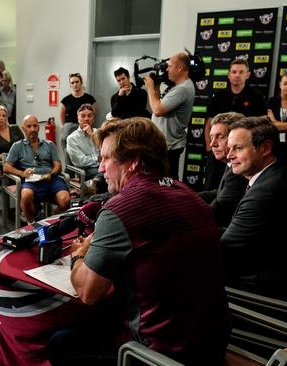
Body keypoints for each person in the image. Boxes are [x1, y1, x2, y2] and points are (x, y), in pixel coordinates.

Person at [50, 117, 229, 365]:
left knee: (60, 341)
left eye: (106, 159)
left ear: (133, 162)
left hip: (159, 355)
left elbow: (87, 292)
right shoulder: (191, 196)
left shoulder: (119, 209)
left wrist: (79, 255)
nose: (101, 168)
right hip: (213, 344)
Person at [222, 116, 287, 306]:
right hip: (274, 278)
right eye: (230, 147)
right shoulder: (271, 176)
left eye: (238, 148)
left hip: (270, 297)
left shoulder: (267, 191)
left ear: (266, 148)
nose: (229, 155)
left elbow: (225, 248)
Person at [204, 58, 267, 190]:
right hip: (218, 153)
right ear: (228, 75)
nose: (237, 75)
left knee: (236, 190)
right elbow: (209, 123)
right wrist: (210, 150)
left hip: (242, 154)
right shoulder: (220, 96)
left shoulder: (256, 96)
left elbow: (261, 125)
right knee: (211, 187)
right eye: (234, 72)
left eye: (241, 72)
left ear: (247, 75)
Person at [5, 115, 70, 224]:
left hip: (51, 179)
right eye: (29, 126)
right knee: (26, 195)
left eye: (35, 126)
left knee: (65, 200)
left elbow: (58, 165)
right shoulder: (17, 146)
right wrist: (22, 173)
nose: (33, 129)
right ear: (23, 128)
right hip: (32, 181)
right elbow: (7, 166)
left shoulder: (49, 144)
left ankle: (51, 222)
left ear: (39, 127)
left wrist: (51, 173)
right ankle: (32, 224)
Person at [144, 52, 195, 180]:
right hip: (164, 145)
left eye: (170, 66)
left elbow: (157, 109)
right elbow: (160, 103)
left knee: (168, 183)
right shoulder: (178, 87)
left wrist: (149, 88)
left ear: (180, 68)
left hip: (169, 146)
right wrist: (156, 87)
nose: (166, 69)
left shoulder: (182, 89)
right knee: (162, 182)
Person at [197, 112, 247, 227]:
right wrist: (187, 197)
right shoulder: (229, 163)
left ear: (235, 138)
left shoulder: (240, 170)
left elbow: (219, 208)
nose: (212, 144)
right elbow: (219, 193)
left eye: (220, 136)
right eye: (211, 137)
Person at [66, 103, 107, 193]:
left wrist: (92, 135)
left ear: (93, 118)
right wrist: (97, 158)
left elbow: (106, 151)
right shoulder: (72, 138)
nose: (86, 119)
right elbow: (80, 162)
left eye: (89, 116)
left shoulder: (99, 133)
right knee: (105, 176)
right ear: (78, 118)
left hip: (103, 165)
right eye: (83, 116)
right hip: (85, 170)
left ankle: (95, 183)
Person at [60, 73, 97, 150]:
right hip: (69, 125)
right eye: (72, 83)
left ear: (81, 83)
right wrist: (66, 126)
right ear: (70, 85)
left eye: (77, 82)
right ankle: (68, 161)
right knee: (64, 138)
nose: (75, 84)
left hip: (85, 124)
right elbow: (62, 117)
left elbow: (93, 113)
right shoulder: (66, 100)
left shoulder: (90, 98)